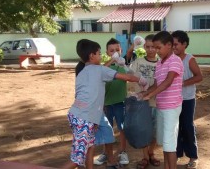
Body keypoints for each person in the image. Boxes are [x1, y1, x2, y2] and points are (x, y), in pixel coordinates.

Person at [63, 39, 147, 169]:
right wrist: (141, 80)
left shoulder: (82, 71)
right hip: (84, 119)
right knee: (77, 159)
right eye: (99, 53)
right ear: (92, 55)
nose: (101, 56)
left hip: (81, 116)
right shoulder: (100, 70)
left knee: (89, 148)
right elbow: (128, 78)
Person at [141, 31, 184, 169]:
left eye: (158, 47)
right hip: (161, 106)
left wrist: (151, 94)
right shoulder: (159, 63)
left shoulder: (175, 60)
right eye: (154, 47)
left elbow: (168, 81)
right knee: (165, 143)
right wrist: (144, 93)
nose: (155, 51)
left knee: (170, 144)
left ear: (169, 45)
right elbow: (157, 83)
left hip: (171, 107)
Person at [94, 38, 130, 166]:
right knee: (106, 129)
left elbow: (131, 75)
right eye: (112, 50)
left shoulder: (123, 66)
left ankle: (123, 152)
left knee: (122, 128)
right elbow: (99, 73)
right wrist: (112, 60)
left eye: (117, 50)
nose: (115, 52)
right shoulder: (104, 66)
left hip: (121, 102)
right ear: (107, 52)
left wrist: (123, 64)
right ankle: (106, 153)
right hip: (107, 104)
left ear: (121, 50)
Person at [171, 30, 203, 169]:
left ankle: (193, 157)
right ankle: (177, 154)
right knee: (175, 128)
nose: (174, 47)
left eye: (176, 44)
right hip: (173, 100)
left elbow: (199, 76)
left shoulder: (189, 59)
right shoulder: (170, 58)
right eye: (172, 44)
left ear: (184, 44)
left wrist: (182, 83)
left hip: (187, 99)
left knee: (188, 126)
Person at [129, 34, 160, 169]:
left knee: (154, 130)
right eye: (147, 47)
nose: (151, 49)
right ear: (144, 47)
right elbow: (129, 74)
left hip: (157, 103)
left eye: (153, 47)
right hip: (142, 104)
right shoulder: (138, 62)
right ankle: (145, 156)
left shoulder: (162, 63)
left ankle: (151, 153)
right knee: (143, 130)